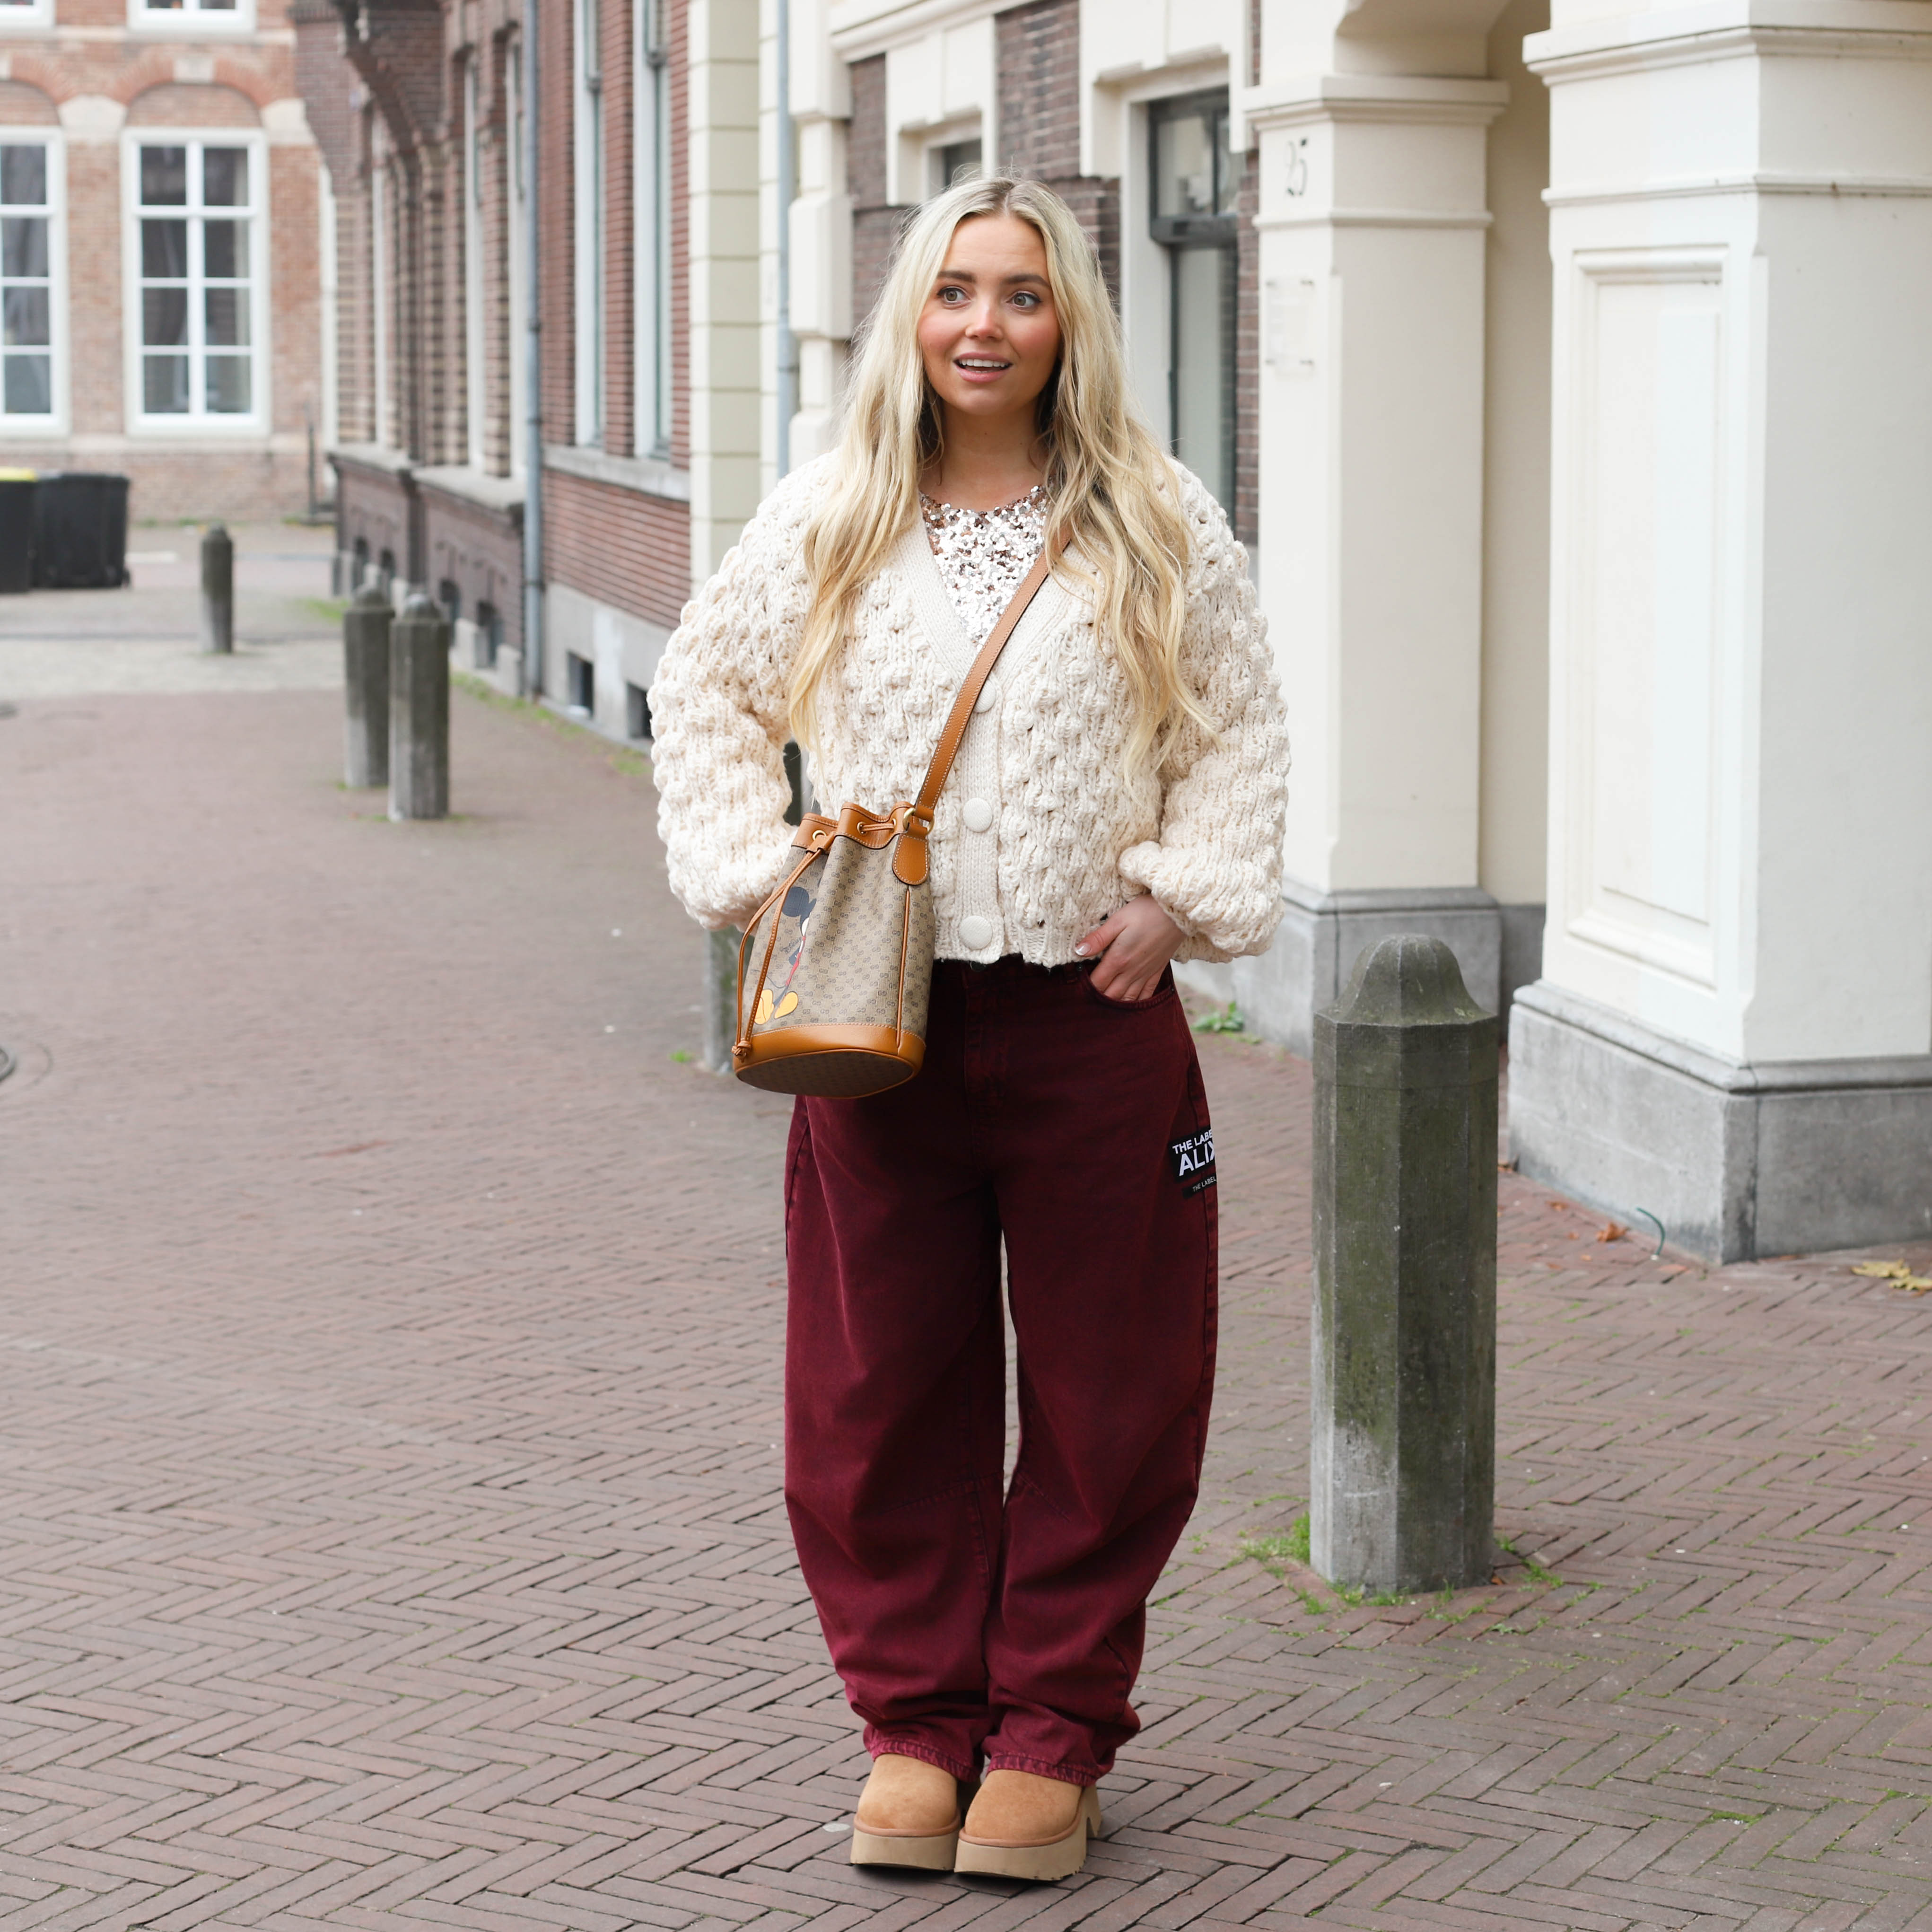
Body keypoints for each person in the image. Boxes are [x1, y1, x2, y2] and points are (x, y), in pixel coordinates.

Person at [651, 174, 1289, 1881]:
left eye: (1019, 292)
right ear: (912, 319)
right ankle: (917, 1726)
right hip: (880, 1032)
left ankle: (1052, 1732)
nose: (983, 325)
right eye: (954, 292)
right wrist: (760, 879)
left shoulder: (1153, 513)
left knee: (1114, 1392)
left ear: (1067, 318)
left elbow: (1236, 725)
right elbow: (705, 689)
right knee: (877, 1391)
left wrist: (1180, 897)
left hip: (1095, 1023)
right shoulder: (835, 510)